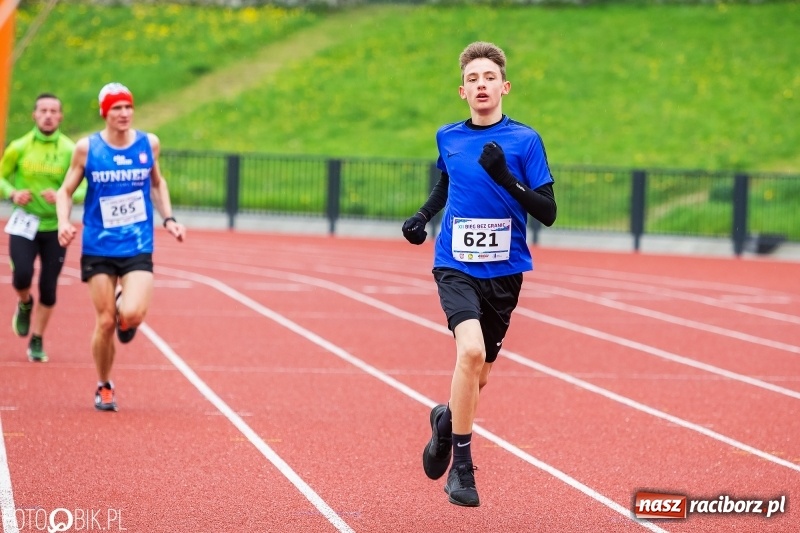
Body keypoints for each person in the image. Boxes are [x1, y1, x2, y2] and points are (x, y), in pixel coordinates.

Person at [402, 42, 557, 507]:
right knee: (468, 352)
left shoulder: (525, 141)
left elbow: (547, 212)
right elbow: (446, 185)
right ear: (462, 92)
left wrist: (506, 177)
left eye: (489, 77)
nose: (481, 85)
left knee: (479, 375)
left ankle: (445, 421)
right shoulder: (448, 137)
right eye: (473, 79)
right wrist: (422, 217)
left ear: (504, 86)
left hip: (505, 272)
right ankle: (462, 469)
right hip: (455, 264)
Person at [56, 82, 186, 412]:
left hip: (137, 243)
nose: (124, 113)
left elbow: (157, 184)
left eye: (128, 107)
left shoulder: (148, 144)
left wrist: (168, 218)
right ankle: (104, 384)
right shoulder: (88, 149)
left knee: (132, 313)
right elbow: (65, 191)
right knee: (105, 323)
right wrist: (63, 222)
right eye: (116, 108)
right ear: (105, 113)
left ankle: (125, 312)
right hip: (99, 246)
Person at [1, 93, 85, 362]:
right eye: (43, 110)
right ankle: (25, 303)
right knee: (22, 276)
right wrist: (13, 193)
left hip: (55, 227)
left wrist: (64, 193)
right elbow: (1, 178)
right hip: (25, 222)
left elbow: (84, 185)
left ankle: (37, 339)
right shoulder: (19, 146)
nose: (48, 115)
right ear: (34, 115)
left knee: (49, 287)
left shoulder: (70, 150)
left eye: (53, 111)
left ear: (60, 116)